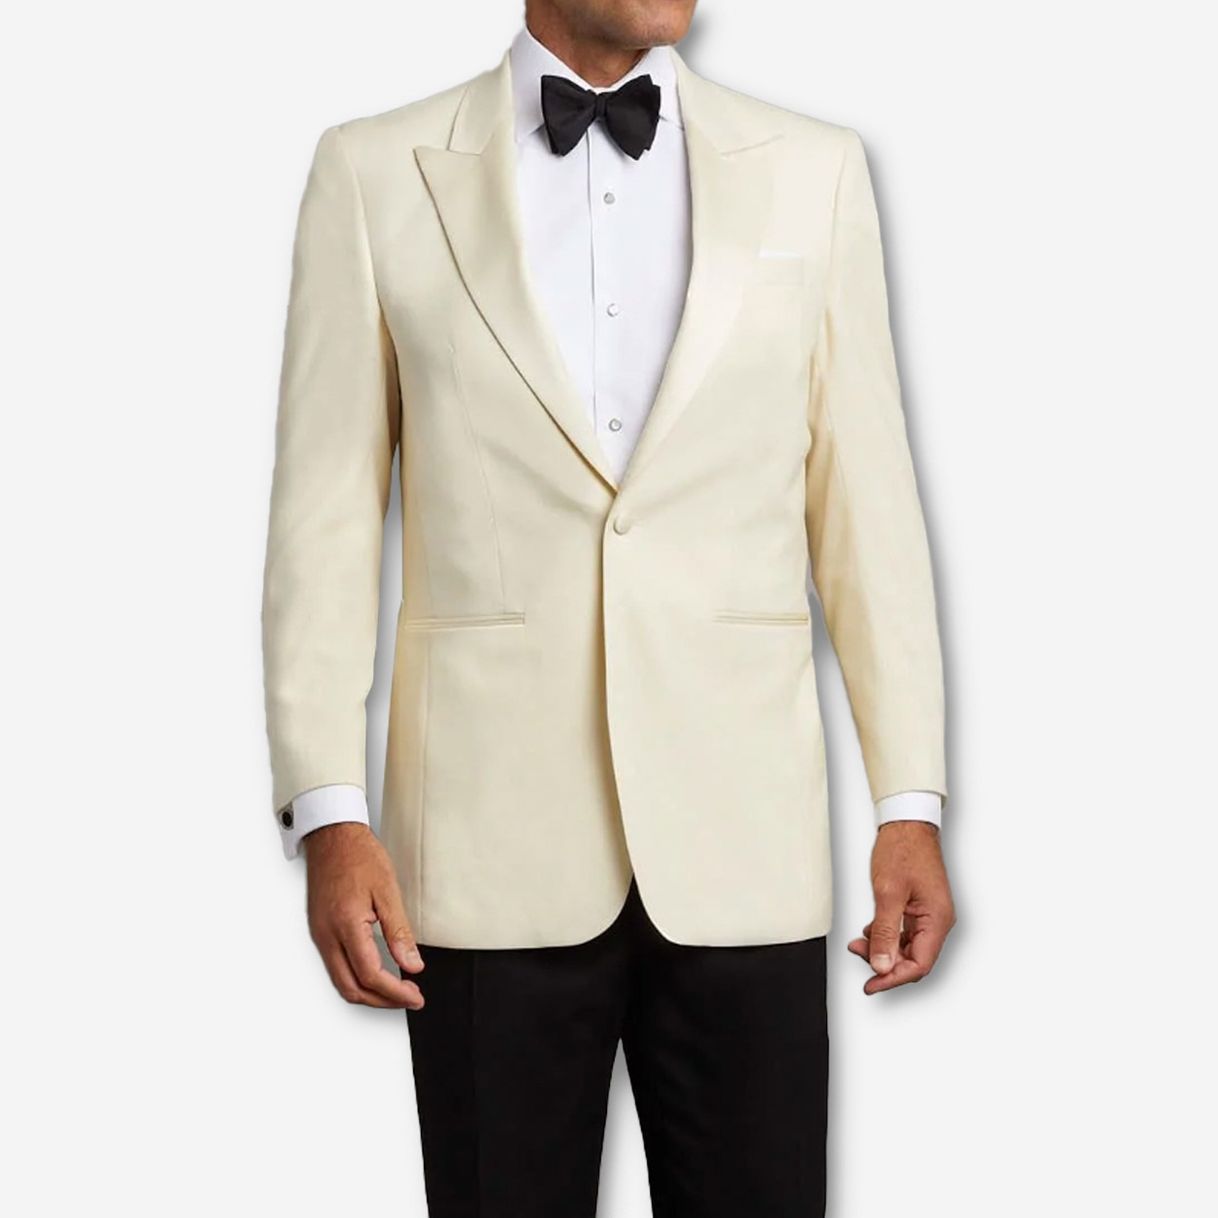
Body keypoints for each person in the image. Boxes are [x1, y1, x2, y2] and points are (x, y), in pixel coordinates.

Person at [262, 2, 955, 1213]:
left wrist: (910, 804)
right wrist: (330, 811)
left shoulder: (816, 171)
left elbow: (870, 514)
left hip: (744, 841)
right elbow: (322, 526)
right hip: (483, 850)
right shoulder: (373, 174)